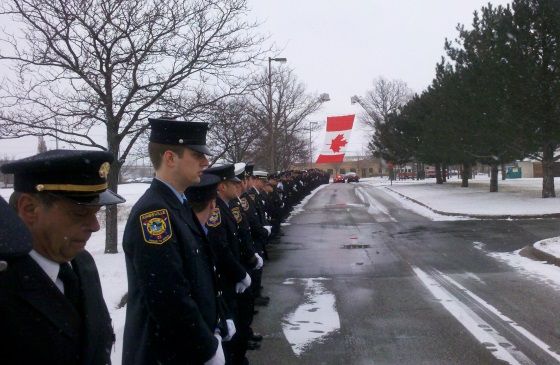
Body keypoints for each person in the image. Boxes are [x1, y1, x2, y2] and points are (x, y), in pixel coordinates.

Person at [0, 149, 125, 365]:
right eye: (79, 213)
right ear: (29, 209)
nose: (95, 226)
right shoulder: (6, 283)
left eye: (96, 213)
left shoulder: (82, 264)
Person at [122, 117, 227, 365]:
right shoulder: (154, 214)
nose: (206, 162)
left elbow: (198, 276)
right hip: (166, 354)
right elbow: (168, 297)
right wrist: (205, 348)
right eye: (197, 154)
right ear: (170, 158)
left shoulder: (177, 204)